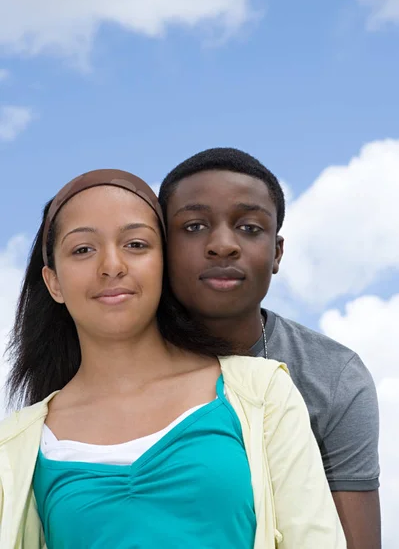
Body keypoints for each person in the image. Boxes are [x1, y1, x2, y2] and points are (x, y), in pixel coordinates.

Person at [0, 169, 345, 549]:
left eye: (135, 245)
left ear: (163, 264)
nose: (112, 265)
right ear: (54, 283)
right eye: (83, 249)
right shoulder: (15, 446)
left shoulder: (262, 393)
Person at [158, 147, 381, 549]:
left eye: (249, 228)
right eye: (193, 227)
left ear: (277, 253)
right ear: (161, 246)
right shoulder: (113, 359)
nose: (223, 245)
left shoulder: (333, 377)